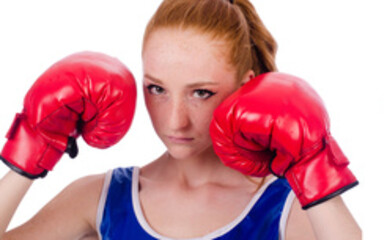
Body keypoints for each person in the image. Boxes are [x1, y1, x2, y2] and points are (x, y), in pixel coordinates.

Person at [0, 0, 362, 239]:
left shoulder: (283, 206)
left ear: (246, 87)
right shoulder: (103, 197)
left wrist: (315, 166)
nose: (175, 122)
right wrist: (29, 148)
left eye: (201, 92)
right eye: (157, 89)